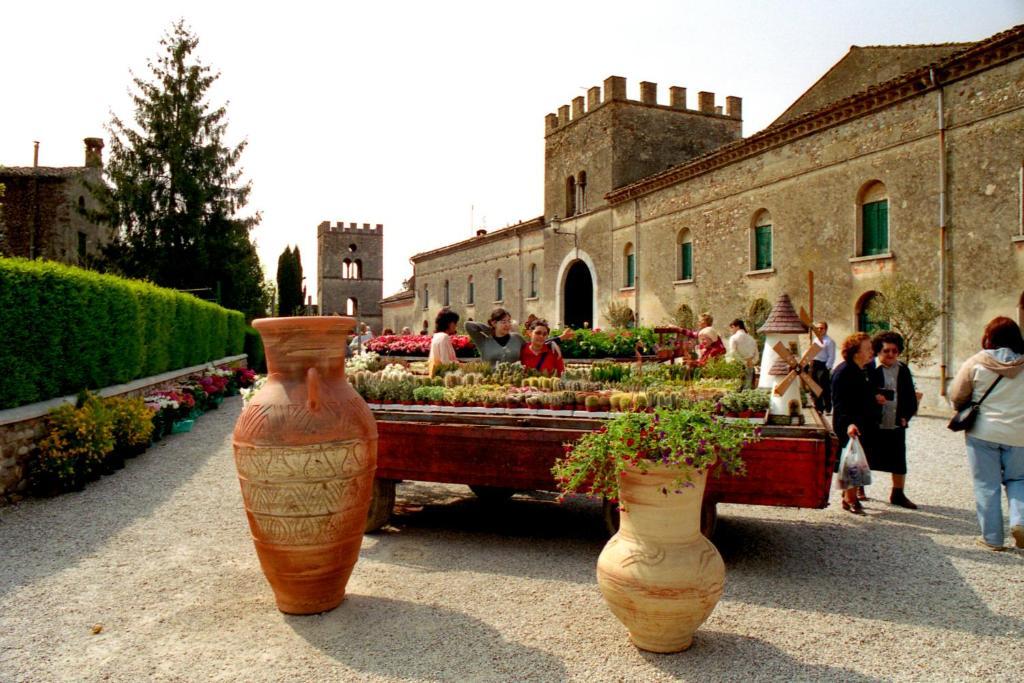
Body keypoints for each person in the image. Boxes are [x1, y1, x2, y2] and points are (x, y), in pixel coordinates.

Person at [949, 316, 1024, 551]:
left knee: (986, 484)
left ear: (989, 336)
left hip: (983, 432)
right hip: (1020, 434)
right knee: (1019, 479)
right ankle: (1020, 521)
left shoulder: (976, 362)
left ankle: (992, 538)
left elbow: (957, 396)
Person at [831, 332, 886, 514]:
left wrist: (874, 398)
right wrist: (849, 424)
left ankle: (849, 497)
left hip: (862, 422)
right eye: (868, 348)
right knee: (852, 461)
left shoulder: (863, 369)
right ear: (855, 351)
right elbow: (840, 403)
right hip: (850, 424)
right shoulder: (844, 372)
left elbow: (862, 394)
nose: (872, 352)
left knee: (857, 460)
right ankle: (851, 499)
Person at [867, 331, 919, 509]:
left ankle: (898, 493)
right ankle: (858, 489)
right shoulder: (869, 369)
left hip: (896, 421)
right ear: (878, 351)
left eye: (894, 351)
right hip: (873, 423)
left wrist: (906, 416)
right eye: (886, 351)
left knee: (898, 459)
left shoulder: (903, 369)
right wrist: (873, 398)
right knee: (865, 457)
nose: (890, 355)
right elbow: (862, 394)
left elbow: (910, 397)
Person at [427, 308, 461, 377]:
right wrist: (460, 364)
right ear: (448, 323)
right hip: (445, 375)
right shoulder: (444, 337)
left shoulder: (436, 336)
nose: (456, 325)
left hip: (436, 374)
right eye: (454, 323)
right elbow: (445, 362)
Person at [811, 321, 836, 413]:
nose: (819, 330)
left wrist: (826, 368)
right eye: (817, 328)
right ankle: (819, 407)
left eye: (821, 328)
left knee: (824, 387)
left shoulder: (829, 341)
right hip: (815, 364)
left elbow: (831, 356)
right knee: (815, 387)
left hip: (823, 365)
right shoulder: (815, 339)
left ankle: (828, 407)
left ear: (826, 329)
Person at [726, 319, 759, 389]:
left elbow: (733, 352)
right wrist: (752, 362)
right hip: (750, 365)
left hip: (738, 365)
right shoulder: (751, 338)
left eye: (732, 327)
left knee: (737, 387)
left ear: (737, 326)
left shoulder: (734, 338)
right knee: (748, 387)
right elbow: (756, 354)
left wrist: (744, 362)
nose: (731, 330)